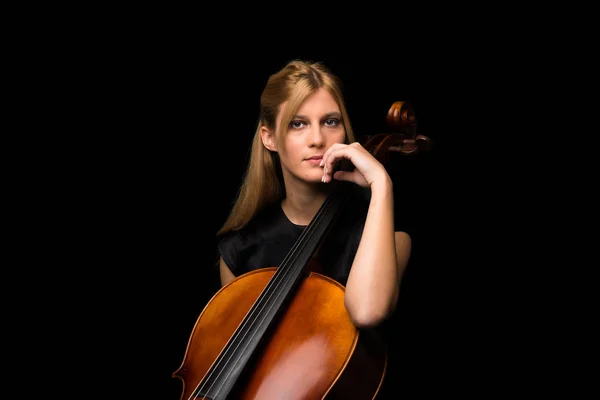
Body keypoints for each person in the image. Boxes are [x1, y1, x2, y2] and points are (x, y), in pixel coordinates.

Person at [216, 59, 411, 328]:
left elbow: (368, 312)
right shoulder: (240, 248)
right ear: (269, 138)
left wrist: (381, 183)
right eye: (298, 124)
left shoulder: (386, 232)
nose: (318, 139)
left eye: (330, 121)